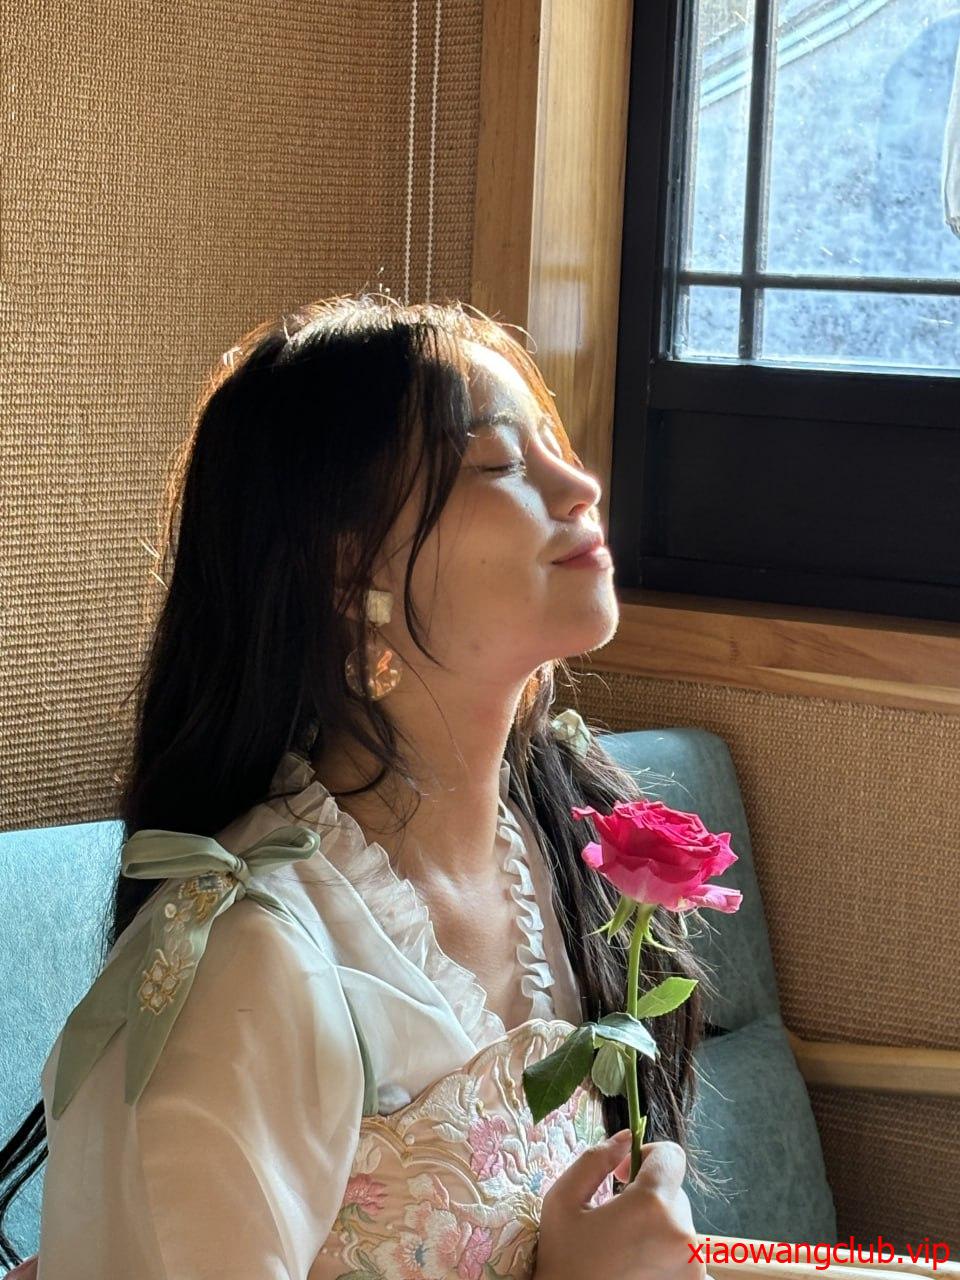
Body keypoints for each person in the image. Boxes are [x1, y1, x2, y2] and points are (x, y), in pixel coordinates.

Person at [0, 294, 720, 1279]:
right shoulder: (250, 967)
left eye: (553, 445)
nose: (580, 485)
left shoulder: (555, 857)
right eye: (501, 462)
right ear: (345, 569)